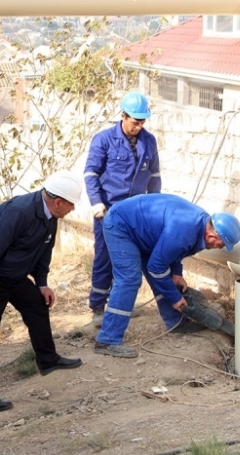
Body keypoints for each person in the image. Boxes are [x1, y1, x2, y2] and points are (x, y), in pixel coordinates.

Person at [0, 171, 85, 412]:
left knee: (37, 304)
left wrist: (42, 283)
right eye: (71, 204)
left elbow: (44, 249)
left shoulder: (50, 215)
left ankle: (48, 359)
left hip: (12, 274)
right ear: (58, 201)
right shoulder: (20, 212)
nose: (73, 209)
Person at [93, 193, 240, 358]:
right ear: (211, 235)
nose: (220, 248)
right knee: (129, 279)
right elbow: (157, 267)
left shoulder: (201, 225)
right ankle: (107, 339)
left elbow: (175, 250)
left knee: (167, 276)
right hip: (121, 224)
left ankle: (176, 323)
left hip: (142, 231)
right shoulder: (185, 231)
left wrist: (177, 273)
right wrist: (175, 298)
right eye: (222, 244)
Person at [84, 91, 162, 327]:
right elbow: (91, 174)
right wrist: (96, 202)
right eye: (135, 122)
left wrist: (154, 206)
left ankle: (121, 304)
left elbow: (154, 176)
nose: (138, 127)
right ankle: (98, 306)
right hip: (109, 210)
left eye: (142, 122)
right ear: (123, 116)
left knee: (130, 259)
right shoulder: (104, 140)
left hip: (136, 213)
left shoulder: (149, 141)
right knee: (105, 258)